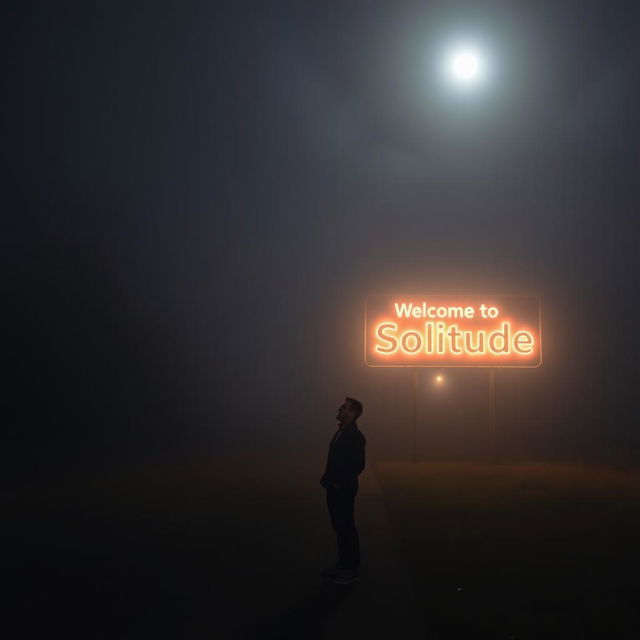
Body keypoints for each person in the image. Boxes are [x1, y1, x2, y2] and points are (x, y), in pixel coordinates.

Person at [320, 397, 366, 585]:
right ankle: (342, 565)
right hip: (333, 488)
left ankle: (351, 571)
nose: (340, 409)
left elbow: (358, 465)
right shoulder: (340, 432)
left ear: (353, 413)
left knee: (347, 529)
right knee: (339, 528)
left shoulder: (356, 436)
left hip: (343, 490)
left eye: (345, 408)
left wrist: (339, 482)